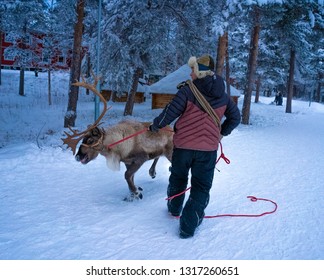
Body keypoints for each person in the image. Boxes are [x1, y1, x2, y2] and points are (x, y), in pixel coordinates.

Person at [149, 54, 241, 238]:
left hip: (183, 148)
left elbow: (170, 112)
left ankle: (175, 209)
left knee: (178, 177)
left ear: (200, 71)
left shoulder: (187, 91)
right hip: (207, 151)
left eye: (193, 69)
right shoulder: (223, 96)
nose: (190, 72)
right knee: (201, 186)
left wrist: (156, 125)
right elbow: (235, 118)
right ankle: (188, 226)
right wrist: (221, 133)